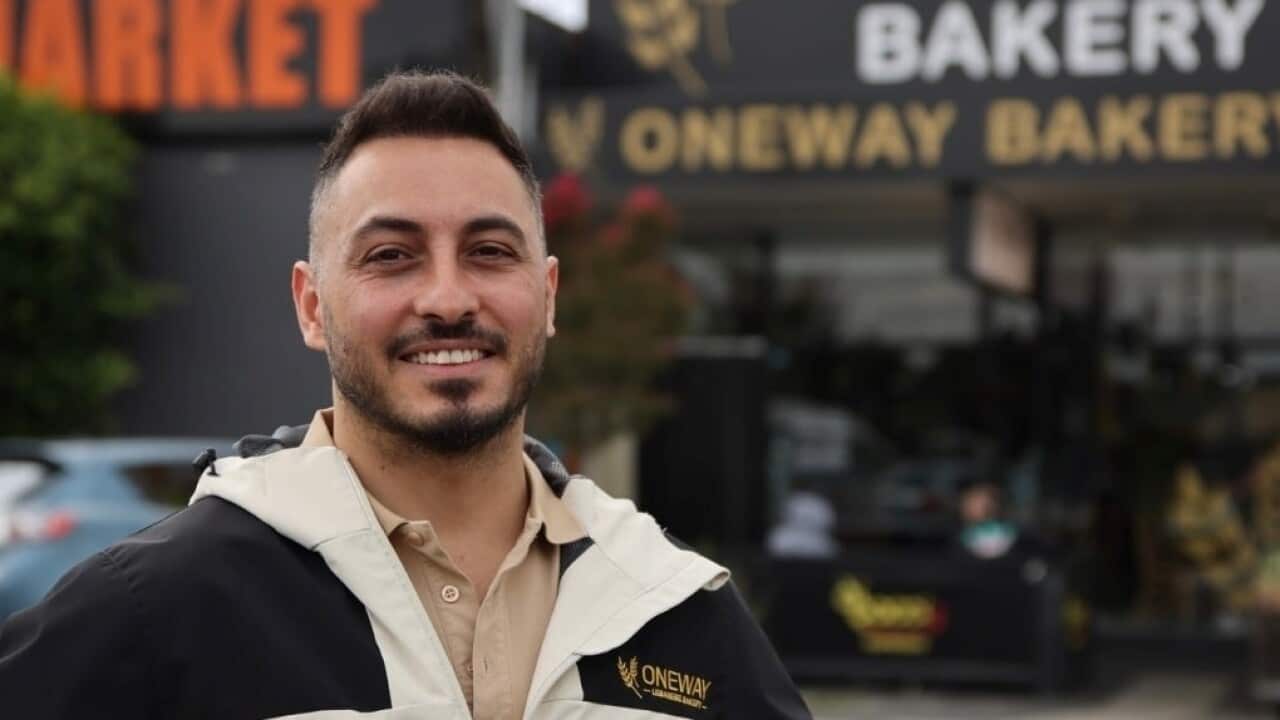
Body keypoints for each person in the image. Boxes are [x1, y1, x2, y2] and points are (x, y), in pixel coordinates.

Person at [0, 71, 811, 719]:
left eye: (490, 250)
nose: (448, 297)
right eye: (392, 255)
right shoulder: (158, 608)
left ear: (550, 296)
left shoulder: (673, 605)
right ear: (312, 305)